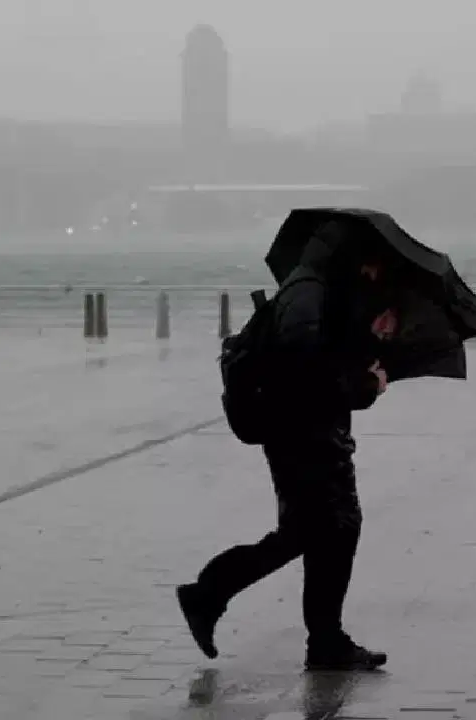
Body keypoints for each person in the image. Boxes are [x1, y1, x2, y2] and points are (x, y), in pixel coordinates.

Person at [177, 223, 399, 671]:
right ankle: (210, 593)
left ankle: (324, 640)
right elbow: (304, 372)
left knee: (327, 530)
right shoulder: (308, 293)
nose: (375, 275)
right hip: (300, 434)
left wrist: (371, 337)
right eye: (373, 265)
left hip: (310, 432)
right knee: (322, 529)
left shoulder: (321, 291)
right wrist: (365, 385)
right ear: (352, 259)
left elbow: (322, 357)